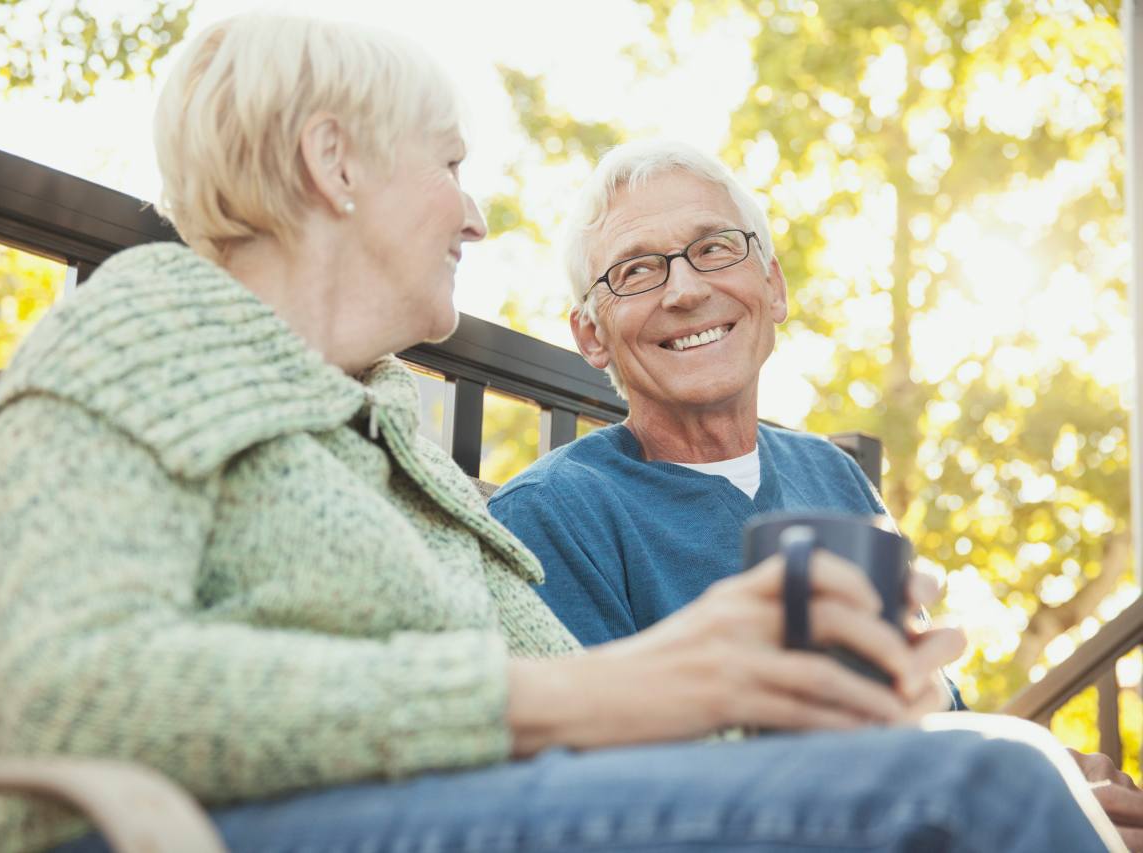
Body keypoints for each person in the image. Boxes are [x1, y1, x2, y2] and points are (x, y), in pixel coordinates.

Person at [0, 14, 1122, 853]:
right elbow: (72, 693)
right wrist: (578, 700)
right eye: (449, 161)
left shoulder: (383, 443)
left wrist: (761, 690)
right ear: (332, 160)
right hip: (161, 833)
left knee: (980, 773)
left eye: (714, 251)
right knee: (974, 790)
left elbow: (600, 697)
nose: (478, 211)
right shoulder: (144, 327)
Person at [486, 138, 1141, 847]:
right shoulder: (549, 514)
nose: (684, 290)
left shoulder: (833, 475)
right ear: (592, 334)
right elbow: (611, 803)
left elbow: (934, 717)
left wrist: (1049, 768)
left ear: (774, 286)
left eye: (713, 249)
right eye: (637, 270)